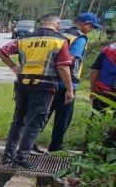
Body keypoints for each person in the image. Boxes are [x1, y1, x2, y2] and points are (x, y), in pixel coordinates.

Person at [0, 13, 74, 169]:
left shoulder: (25, 38)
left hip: (22, 83)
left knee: (18, 121)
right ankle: (21, 157)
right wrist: (69, 90)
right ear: (57, 25)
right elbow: (63, 66)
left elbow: (2, 52)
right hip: (44, 85)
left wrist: (13, 67)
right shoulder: (60, 41)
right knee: (35, 123)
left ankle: (7, 155)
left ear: (41, 23)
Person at [33, 12, 102, 152]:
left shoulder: (61, 34)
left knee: (44, 114)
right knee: (63, 118)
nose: (92, 30)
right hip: (67, 82)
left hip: (49, 80)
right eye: (92, 27)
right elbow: (70, 59)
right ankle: (55, 147)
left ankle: (30, 143)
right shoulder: (80, 38)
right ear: (85, 24)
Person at [89, 40, 116, 113]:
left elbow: (95, 71)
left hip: (102, 92)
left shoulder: (107, 50)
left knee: (97, 119)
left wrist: (92, 91)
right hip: (105, 92)